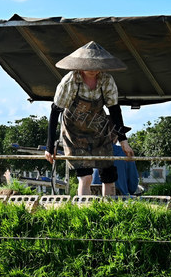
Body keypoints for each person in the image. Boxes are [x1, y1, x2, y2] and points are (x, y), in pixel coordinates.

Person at [45, 42, 134, 196]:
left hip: (99, 129)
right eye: (89, 65)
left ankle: (110, 211)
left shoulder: (106, 80)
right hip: (74, 132)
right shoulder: (70, 81)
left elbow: (114, 110)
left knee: (109, 174)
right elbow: (55, 112)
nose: (93, 70)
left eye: (96, 65)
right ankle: (83, 211)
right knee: (85, 176)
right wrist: (49, 145)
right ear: (80, 65)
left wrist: (123, 141)